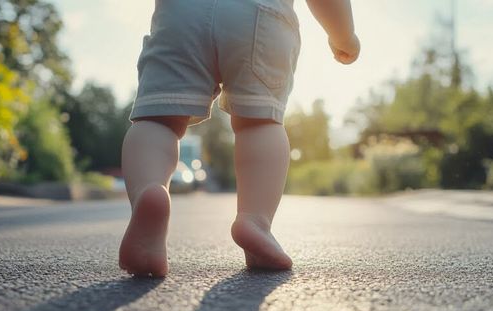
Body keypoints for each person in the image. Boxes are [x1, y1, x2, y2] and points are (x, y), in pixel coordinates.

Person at [119, 0, 360, 277]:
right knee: (259, 123)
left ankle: (149, 191)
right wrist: (344, 35)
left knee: (158, 120)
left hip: (180, 12)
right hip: (259, 14)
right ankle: (254, 221)